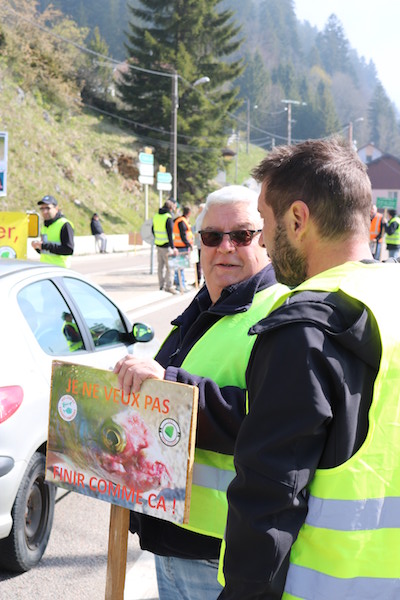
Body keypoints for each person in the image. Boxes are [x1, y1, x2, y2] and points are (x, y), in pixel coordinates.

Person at [218, 137, 400, 599]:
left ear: (297, 219)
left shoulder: (304, 329)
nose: (263, 240)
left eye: (264, 222)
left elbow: (269, 501)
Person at [114, 185, 288, 600]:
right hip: (171, 536)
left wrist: (170, 385)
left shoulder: (280, 312)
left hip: (221, 552)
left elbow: (272, 422)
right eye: (212, 236)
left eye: (241, 235)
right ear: (198, 243)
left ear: (265, 240)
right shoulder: (200, 309)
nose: (225, 247)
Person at [31, 195, 74, 267]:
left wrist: (44, 246)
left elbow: (68, 250)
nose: (44, 211)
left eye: (48, 208)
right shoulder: (45, 226)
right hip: (45, 267)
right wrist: (37, 247)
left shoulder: (64, 224)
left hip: (59, 268)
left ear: (56, 209)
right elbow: (46, 251)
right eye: (42, 209)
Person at [152, 200, 178, 294]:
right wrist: (173, 247)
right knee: (170, 267)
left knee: (160, 266)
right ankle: (169, 286)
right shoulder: (168, 217)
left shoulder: (156, 216)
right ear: (170, 208)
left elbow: (152, 229)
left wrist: (157, 238)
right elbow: (169, 233)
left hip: (158, 244)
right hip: (167, 246)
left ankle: (161, 285)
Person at [173, 206, 193, 292]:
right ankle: (181, 286)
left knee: (179, 267)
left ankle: (179, 283)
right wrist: (188, 244)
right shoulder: (182, 221)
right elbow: (183, 235)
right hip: (181, 246)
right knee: (180, 267)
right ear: (189, 213)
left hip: (178, 246)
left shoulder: (179, 220)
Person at [193, 202, 206, 285]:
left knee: (203, 262)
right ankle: (199, 279)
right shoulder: (200, 217)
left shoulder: (204, 217)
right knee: (199, 262)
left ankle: (203, 280)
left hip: (202, 243)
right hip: (199, 243)